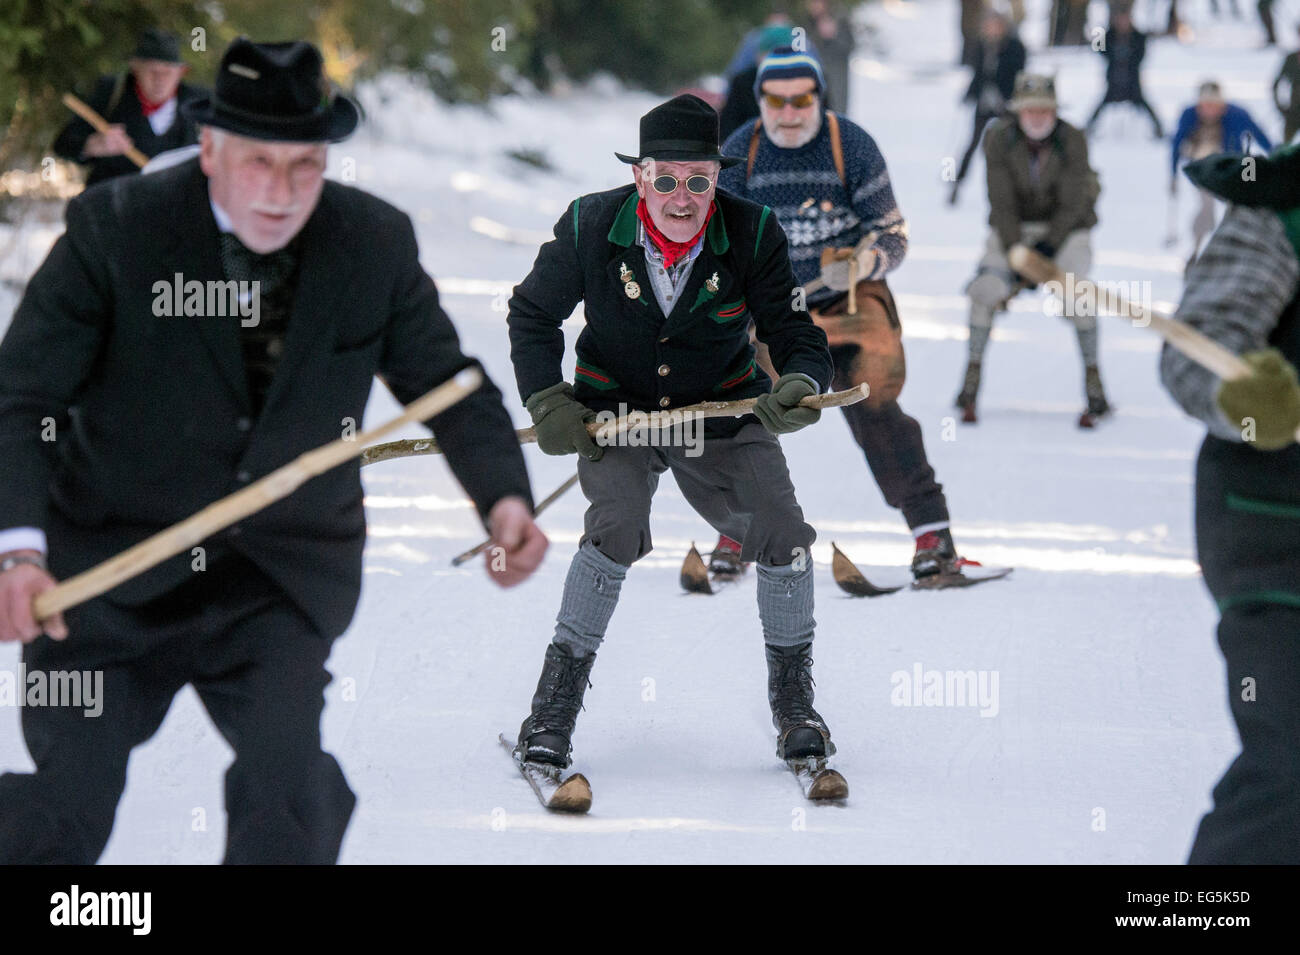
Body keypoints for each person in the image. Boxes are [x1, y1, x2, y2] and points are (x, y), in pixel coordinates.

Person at [0, 38, 546, 864]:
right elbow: (23, 398)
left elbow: (449, 383)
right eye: (260, 162)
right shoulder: (118, 230)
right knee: (68, 800)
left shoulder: (371, 242)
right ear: (210, 147)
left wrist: (505, 501)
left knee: (286, 785)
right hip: (105, 571)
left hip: (275, 577)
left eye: (306, 165)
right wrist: (18, 550)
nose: (283, 191)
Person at [506, 94, 839, 772]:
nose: (681, 198)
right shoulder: (588, 226)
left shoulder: (754, 233)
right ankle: (552, 708)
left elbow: (794, 331)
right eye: (665, 179)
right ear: (640, 177)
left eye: (699, 181)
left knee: (781, 524)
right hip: (617, 411)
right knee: (616, 526)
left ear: (718, 180)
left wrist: (799, 381)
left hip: (721, 409)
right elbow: (532, 314)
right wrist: (548, 401)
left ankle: (795, 703)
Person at [715, 47, 986, 583]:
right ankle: (735, 529)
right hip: (774, 311)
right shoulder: (739, 153)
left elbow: (894, 235)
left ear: (818, 97)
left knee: (876, 406)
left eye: (801, 100)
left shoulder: (852, 146)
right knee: (742, 408)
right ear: (761, 101)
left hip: (851, 304)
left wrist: (867, 260)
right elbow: (719, 244)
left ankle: (931, 534)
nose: (789, 112)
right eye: (777, 101)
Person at [1160, 144, 1300, 863]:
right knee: (1290, 765)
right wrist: (1244, 399)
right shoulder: (1283, 209)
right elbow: (1196, 346)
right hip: (1275, 533)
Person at [956, 72, 1108, 428]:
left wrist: (1046, 249)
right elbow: (1000, 200)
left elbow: (1073, 202)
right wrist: (1016, 254)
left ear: (1055, 112)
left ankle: (1094, 383)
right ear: (1017, 113)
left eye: (1044, 110)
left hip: (1066, 231)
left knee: (1077, 295)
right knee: (985, 291)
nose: (1037, 117)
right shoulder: (997, 138)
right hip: (1012, 231)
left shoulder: (1073, 139)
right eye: (1029, 110)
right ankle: (970, 381)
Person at [52, 27, 207, 188]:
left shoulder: (199, 103)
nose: (159, 80)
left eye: (167, 72)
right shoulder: (112, 93)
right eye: (152, 71)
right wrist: (92, 145)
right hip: (111, 203)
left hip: (172, 208)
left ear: (181, 72)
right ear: (135, 68)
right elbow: (63, 144)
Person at [1171, 81, 1273, 263]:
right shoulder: (1189, 116)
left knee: (1237, 207)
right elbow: (1176, 144)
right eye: (1205, 106)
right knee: (1206, 208)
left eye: (1214, 105)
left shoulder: (1237, 115)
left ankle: (1235, 250)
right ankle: (1197, 250)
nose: (1210, 110)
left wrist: (1275, 156)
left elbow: (1259, 135)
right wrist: (1172, 175)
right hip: (1203, 167)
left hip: (1233, 166)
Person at [949, 10, 1026, 206]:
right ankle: (957, 183)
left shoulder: (1015, 47)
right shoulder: (982, 47)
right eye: (989, 26)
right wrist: (969, 94)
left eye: (996, 25)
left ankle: (1017, 187)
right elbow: (978, 75)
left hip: (1006, 102)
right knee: (972, 143)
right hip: (985, 102)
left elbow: (1018, 74)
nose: (992, 29)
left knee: (1013, 144)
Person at [1085, 8, 1163, 139]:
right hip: (1113, 81)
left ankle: (1158, 129)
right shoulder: (1109, 36)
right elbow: (1099, 50)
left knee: (1143, 104)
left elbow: (1140, 55)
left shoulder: (1138, 37)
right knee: (1102, 105)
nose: (1122, 23)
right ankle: (1089, 128)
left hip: (1132, 82)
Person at [1272, 28, 1300, 142]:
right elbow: (1276, 84)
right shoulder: (1291, 58)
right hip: (1293, 112)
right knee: (1285, 148)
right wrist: (1280, 107)